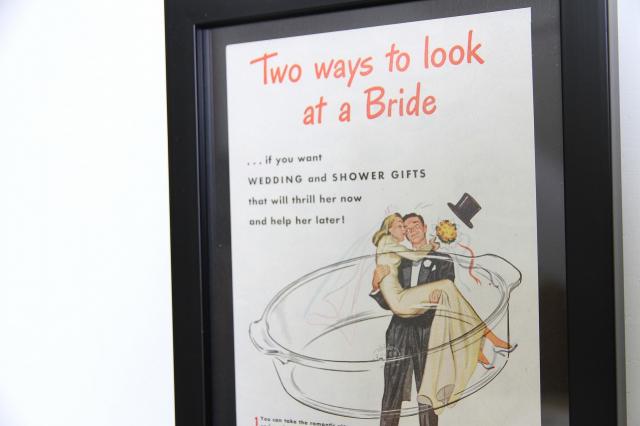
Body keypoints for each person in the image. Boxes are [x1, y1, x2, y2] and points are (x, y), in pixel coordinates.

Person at [370, 213, 512, 424]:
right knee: (392, 389)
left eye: (415, 225)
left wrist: (438, 298)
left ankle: (479, 338)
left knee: (429, 390)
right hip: (399, 331)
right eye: (406, 228)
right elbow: (387, 301)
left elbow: (450, 299)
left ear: (425, 227)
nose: (411, 230)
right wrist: (375, 285)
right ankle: (481, 337)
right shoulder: (400, 259)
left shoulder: (443, 260)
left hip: (429, 331)